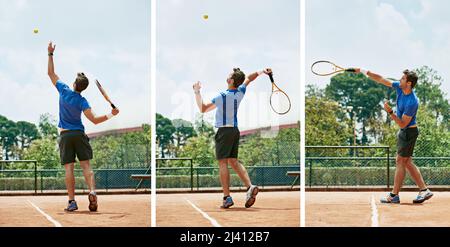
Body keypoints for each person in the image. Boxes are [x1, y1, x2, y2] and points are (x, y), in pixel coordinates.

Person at [47, 42, 119, 211]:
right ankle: (92, 191)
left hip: (65, 135)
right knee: (86, 166)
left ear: (74, 84)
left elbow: (50, 73)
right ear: (84, 88)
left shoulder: (64, 90)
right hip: (79, 134)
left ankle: (72, 202)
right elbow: (94, 120)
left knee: (69, 169)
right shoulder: (83, 101)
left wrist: (50, 54)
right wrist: (111, 114)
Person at [192, 67, 271, 208]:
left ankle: (227, 197)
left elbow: (202, 109)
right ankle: (250, 186)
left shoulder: (222, 96)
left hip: (224, 131)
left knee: (223, 163)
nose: (227, 77)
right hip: (235, 131)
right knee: (233, 161)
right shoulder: (240, 91)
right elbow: (249, 79)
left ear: (231, 80)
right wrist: (262, 71)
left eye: (229, 76)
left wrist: (197, 92)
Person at [355, 68, 433, 204]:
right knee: (406, 162)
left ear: (409, 83)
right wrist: (363, 71)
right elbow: (381, 79)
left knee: (400, 161)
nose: (400, 80)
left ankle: (394, 195)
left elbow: (403, 124)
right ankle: (424, 190)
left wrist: (390, 112)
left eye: (403, 78)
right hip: (405, 132)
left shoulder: (412, 102)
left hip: (409, 132)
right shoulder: (399, 87)